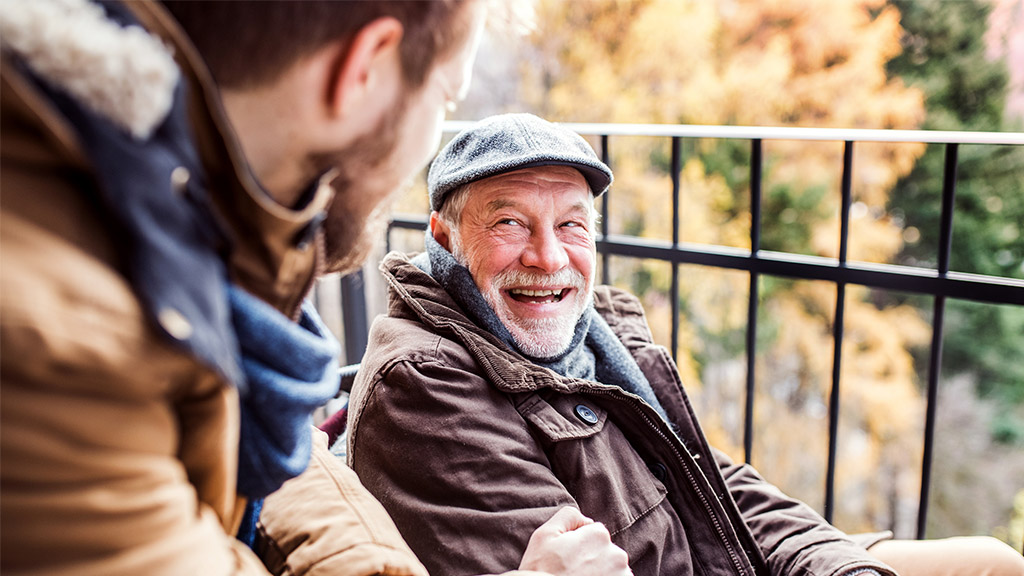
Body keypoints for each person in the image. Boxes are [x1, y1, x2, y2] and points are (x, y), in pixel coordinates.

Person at [0, 2, 629, 575]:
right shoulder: (57, 344)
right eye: (445, 98)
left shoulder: (179, 227)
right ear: (365, 69)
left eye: (573, 223)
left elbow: (270, 466)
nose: (548, 256)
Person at [345, 113, 1024, 576]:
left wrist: (834, 564)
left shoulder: (593, 336)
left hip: (721, 554)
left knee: (993, 560)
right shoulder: (425, 384)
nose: (549, 257)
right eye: (511, 222)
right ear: (443, 236)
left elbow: (713, 482)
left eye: (572, 225)